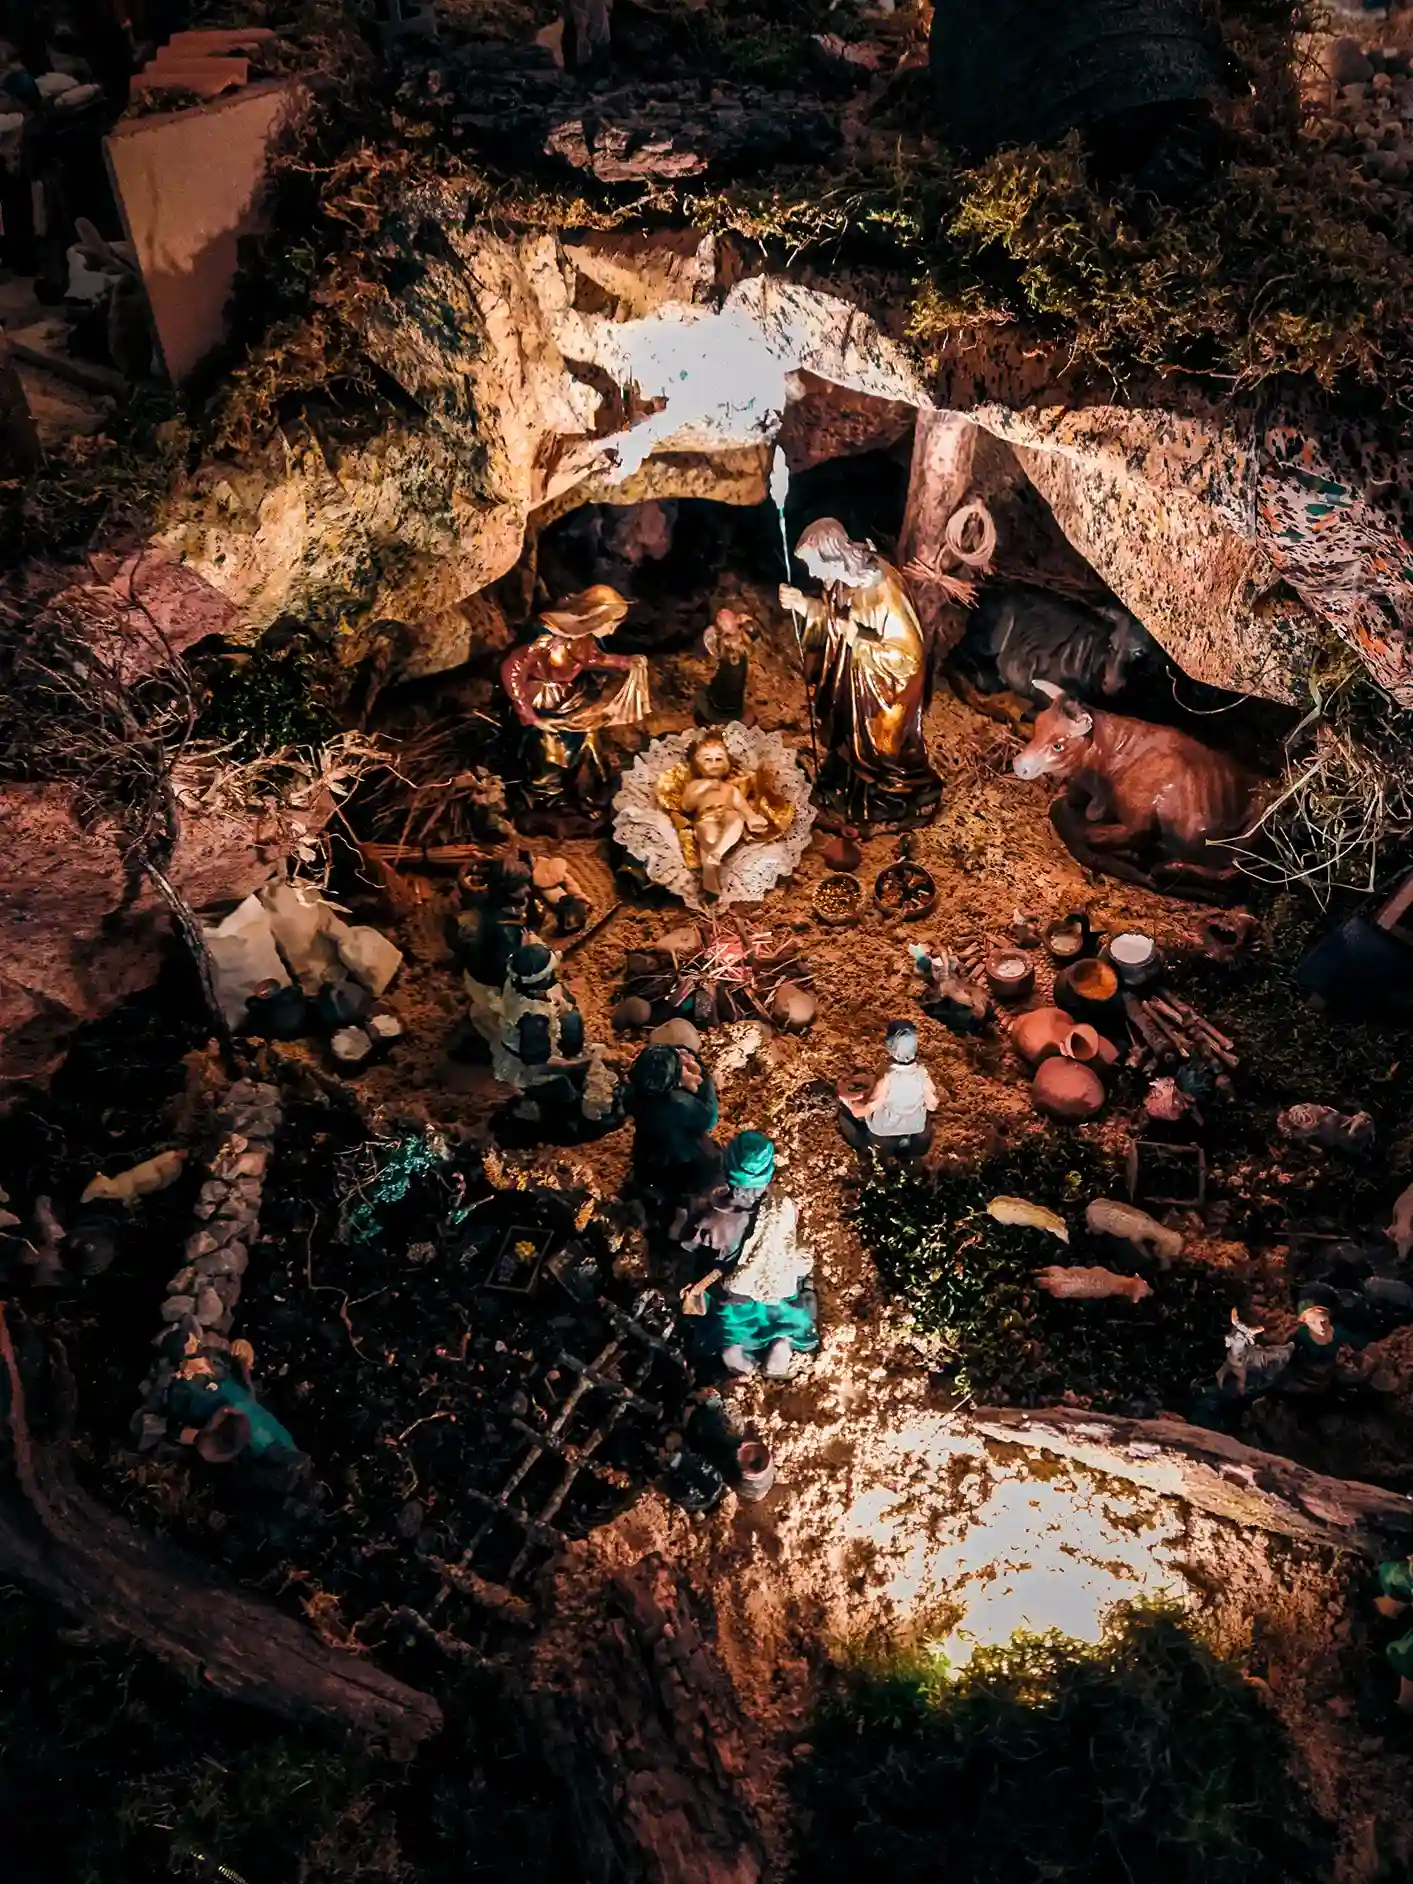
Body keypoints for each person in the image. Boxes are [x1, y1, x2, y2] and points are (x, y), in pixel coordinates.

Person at [779, 517, 942, 832]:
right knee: (846, 740)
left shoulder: (884, 588)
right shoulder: (841, 581)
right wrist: (804, 606)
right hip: (853, 684)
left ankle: (901, 793)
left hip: (882, 692)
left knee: (883, 751)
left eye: (814, 565)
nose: (812, 574)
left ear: (833, 556)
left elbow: (908, 656)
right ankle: (851, 782)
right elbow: (835, 624)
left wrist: (859, 638)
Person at [500, 584, 650, 833]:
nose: (612, 631)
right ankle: (542, 806)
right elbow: (512, 668)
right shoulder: (546, 636)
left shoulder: (582, 637)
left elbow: (593, 659)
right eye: (611, 624)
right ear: (595, 617)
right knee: (551, 755)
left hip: (568, 702)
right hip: (541, 704)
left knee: (587, 743)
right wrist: (528, 714)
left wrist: (625, 662)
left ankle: (580, 797)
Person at [678, 1131, 819, 1379]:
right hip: (776, 1284)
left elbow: (688, 1246)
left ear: (726, 1166)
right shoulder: (783, 1203)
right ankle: (782, 1341)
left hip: (734, 1292)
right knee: (784, 1310)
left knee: (727, 1318)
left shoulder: (712, 1219)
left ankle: (733, 1348)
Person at [677, 731, 771, 895]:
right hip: (706, 819)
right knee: (709, 837)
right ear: (698, 763)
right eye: (708, 759)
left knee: (736, 819)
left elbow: (742, 806)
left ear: (726, 763)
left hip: (727, 815)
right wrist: (703, 789)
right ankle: (710, 875)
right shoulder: (695, 785)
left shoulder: (730, 788)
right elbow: (686, 806)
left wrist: (751, 817)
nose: (714, 763)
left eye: (719, 758)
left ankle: (717, 853)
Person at [625, 1042, 721, 1201]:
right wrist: (704, 1078)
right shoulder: (679, 1102)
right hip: (682, 1163)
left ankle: (647, 1186)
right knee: (709, 1158)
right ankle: (680, 1197)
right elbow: (709, 1120)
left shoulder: (632, 1093)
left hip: (647, 1156)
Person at [839, 1019, 940, 1160]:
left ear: (889, 1046)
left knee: (846, 1110)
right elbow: (932, 1105)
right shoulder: (922, 1073)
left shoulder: (887, 1076)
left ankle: (863, 1147)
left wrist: (845, 1097)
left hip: (882, 1129)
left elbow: (863, 1109)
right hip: (915, 1127)